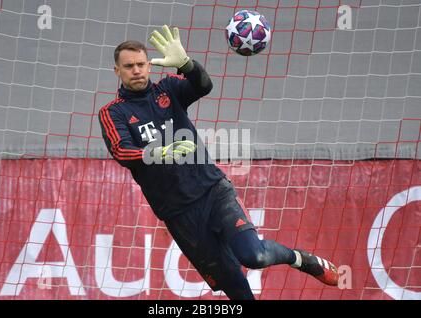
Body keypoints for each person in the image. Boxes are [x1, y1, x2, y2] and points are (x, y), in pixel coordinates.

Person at [98, 25, 339, 300]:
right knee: (235, 288)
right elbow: (120, 151)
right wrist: (158, 153)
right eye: (129, 66)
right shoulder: (112, 112)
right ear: (117, 71)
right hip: (179, 214)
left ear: (149, 66)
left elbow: (203, 86)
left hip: (212, 191)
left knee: (255, 255)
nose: (137, 70)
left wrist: (188, 65)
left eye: (141, 64)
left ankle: (301, 259)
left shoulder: (168, 88)